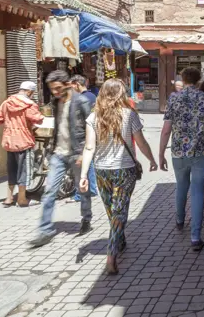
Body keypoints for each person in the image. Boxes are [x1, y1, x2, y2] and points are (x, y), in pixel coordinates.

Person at [79, 79, 160, 275]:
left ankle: (119, 241)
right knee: (119, 211)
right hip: (125, 169)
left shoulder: (93, 117)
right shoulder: (129, 114)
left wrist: (84, 174)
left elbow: (89, 147)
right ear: (120, 94)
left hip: (101, 171)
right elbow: (140, 142)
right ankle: (111, 254)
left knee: (112, 210)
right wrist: (151, 159)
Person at [160, 67, 204, 251]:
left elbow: (166, 130)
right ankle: (195, 237)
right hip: (202, 151)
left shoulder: (173, 98)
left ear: (183, 79)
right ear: (199, 80)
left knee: (181, 185)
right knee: (197, 190)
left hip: (179, 152)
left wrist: (160, 153)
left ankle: (180, 220)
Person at [30, 70, 93, 248]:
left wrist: (84, 153)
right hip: (58, 153)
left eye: (57, 88)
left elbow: (91, 128)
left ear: (67, 84)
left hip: (77, 153)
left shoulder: (82, 101)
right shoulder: (56, 102)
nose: (55, 92)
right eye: (52, 89)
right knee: (49, 191)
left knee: (82, 189)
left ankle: (86, 218)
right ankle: (45, 231)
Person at [0, 81, 44, 207]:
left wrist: (8, 121)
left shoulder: (7, 102)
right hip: (24, 141)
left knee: (12, 169)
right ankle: (21, 199)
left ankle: (9, 198)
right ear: (29, 92)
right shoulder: (29, 104)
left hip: (9, 141)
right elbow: (38, 119)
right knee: (24, 170)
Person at [69, 75, 99, 202]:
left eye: (71, 86)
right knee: (89, 163)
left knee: (81, 164)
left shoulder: (81, 98)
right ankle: (91, 188)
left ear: (76, 84)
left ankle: (80, 193)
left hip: (82, 134)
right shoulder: (92, 96)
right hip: (90, 133)